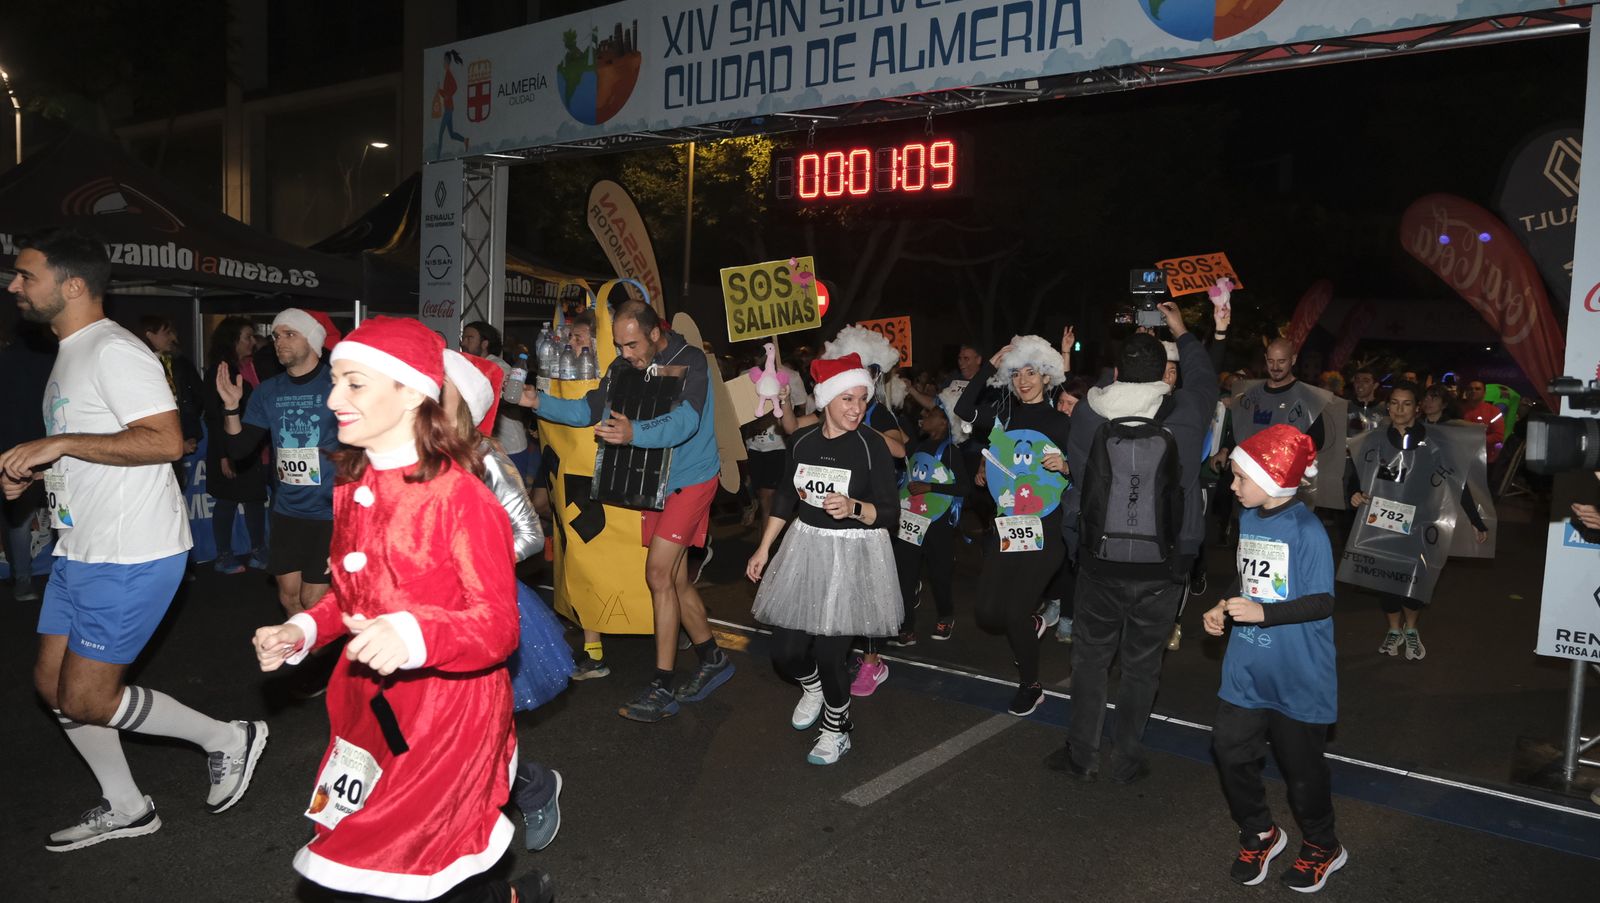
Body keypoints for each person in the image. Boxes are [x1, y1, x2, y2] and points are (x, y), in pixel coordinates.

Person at [251, 317, 551, 903]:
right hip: (368, 706)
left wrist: (415, 633)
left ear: (412, 390)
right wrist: (303, 628)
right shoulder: (352, 481)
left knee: (405, 863)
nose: (334, 398)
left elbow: (497, 626)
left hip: (446, 716)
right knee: (368, 856)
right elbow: (352, 594)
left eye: (354, 383)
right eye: (336, 381)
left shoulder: (461, 496)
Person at [2, 228, 267, 852]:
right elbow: (101, 449)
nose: (14, 285)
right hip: (82, 548)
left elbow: (165, 442)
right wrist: (40, 474)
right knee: (53, 688)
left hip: (131, 554)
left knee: (88, 697)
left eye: (26, 275)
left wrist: (59, 443)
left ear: (72, 285)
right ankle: (126, 806)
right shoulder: (70, 350)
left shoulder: (114, 351)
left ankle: (228, 738)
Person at [520, 300, 730, 722]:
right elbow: (587, 412)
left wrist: (634, 432)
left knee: (657, 574)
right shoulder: (622, 368)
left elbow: (685, 422)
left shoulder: (691, 362)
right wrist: (537, 401)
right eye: (618, 345)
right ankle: (712, 659)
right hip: (652, 482)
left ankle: (663, 684)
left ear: (655, 333)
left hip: (691, 480)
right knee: (673, 578)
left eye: (632, 344)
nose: (624, 353)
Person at [1048, 301, 1219, 783]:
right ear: (1167, 375)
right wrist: (1181, 331)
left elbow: (1103, 380)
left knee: (1090, 662)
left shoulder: (1088, 415)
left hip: (1100, 564)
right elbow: (1205, 378)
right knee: (1143, 666)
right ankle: (1127, 758)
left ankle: (1081, 755)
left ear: (1118, 371)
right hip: (1164, 565)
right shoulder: (1185, 413)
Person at [1202, 425, 1346, 893]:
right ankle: (1259, 831)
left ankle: (1323, 845)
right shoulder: (1250, 517)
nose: (1233, 485)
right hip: (1247, 669)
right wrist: (1223, 605)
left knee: (1302, 774)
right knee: (1228, 747)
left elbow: (1322, 602)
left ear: (1272, 478)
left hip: (1298, 674)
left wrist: (1262, 612)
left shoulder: (1307, 530)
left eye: (1241, 477)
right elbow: (1248, 579)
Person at [442, 349, 569, 854]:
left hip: (480, 608)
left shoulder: (485, 456)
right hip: (417, 616)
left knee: (474, 733)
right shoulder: (403, 452)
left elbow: (529, 536)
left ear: (465, 404)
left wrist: (469, 570)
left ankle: (533, 788)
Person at [746, 353, 900, 765]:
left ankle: (837, 726)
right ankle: (812, 687)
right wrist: (764, 547)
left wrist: (853, 507)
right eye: (846, 399)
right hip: (806, 547)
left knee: (832, 653)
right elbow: (784, 496)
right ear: (826, 400)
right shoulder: (803, 441)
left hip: (855, 551)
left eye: (861, 399)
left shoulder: (872, 447)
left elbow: (890, 513)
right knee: (786, 653)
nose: (855, 408)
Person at [954, 334, 1072, 716]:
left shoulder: (1062, 423)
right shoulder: (1002, 419)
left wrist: (1067, 467)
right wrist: (989, 365)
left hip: (1047, 530)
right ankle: (1034, 619)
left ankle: (1031, 685)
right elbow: (963, 406)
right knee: (988, 613)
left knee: (1014, 611)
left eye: (1033, 373)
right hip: (1007, 528)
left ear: (1048, 377)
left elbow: (1094, 470)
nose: (1024, 380)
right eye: (1017, 373)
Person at [1345, 382, 1488, 660]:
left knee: (1415, 584)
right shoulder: (1374, 440)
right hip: (1381, 522)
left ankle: (1411, 629)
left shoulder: (1435, 441)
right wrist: (1354, 494)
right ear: (1388, 406)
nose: (1399, 409)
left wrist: (1475, 519)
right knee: (1385, 583)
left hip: (1421, 523)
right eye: (1394, 403)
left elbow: (1457, 482)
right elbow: (1357, 477)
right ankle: (1393, 630)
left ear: (1417, 407)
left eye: (1406, 403)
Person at [217, 309, 342, 618]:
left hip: (330, 512)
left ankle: (326, 664)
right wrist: (232, 408)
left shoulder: (337, 385)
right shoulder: (268, 391)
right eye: (276, 336)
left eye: (290, 334)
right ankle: (307, 659)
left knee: (313, 603)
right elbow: (239, 448)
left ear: (312, 340)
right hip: (287, 511)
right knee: (289, 600)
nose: (279, 342)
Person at [890, 396, 970, 643]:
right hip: (912, 520)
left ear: (944, 424)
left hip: (937, 524)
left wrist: (931, 488)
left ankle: (946, 616)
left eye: (931, 415)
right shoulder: (917, 448)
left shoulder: (950, 453)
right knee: (906, 573)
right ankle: (906, 627)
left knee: (939, 575)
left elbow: (965, 488)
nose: (924, 417)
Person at [202, 316, 268, 574]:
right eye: (247, 337)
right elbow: (214, 416)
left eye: (253, 337)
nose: (252, 342)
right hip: (229, 448)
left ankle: (258, 550)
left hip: (251, 447)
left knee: (254, 499)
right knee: (227, 501)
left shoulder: (249, 366)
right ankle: (223, 555)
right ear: (233, 341)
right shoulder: (220, 372)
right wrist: (224, 455)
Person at [0, 315, 54, 601]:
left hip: (13, 453)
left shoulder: (4, 360)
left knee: (18, 521)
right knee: (61, 516)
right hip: (50, 450)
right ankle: (66, 576)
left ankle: (23, 583)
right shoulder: (54, 361)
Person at [138, 315, 205, 460]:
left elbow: (190, 400)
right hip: (157, 445)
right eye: (167, 333)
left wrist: (190, 434)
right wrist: (176, 442)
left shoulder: (175, 362)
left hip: (178, 438)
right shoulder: (142, 366)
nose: (173, 338)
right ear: (149, 335)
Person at [1457, 377, 1506, 463]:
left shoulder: (1493, 411)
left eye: (1477, 389)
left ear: (1484, 393)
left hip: (1483, 459)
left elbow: (1498, 436)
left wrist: (1476, 440)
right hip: (1460, 456)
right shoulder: (1458, 409)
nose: (1473, 391)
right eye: (1470, 389)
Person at [1346, 367, 1385, 436]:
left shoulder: (1384, 409)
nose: (1360, 384)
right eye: (1357, 381)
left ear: (1375, 385)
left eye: (1366, 381)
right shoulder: (1345, 406)